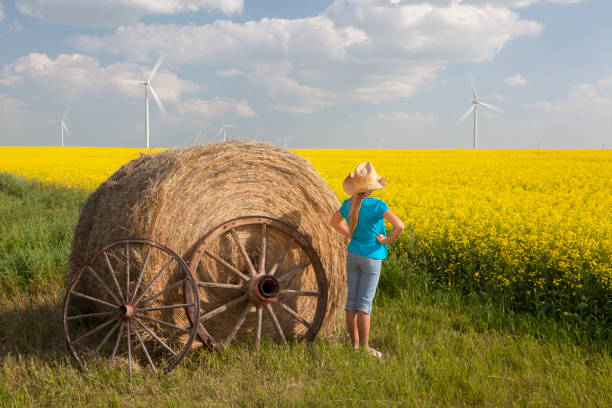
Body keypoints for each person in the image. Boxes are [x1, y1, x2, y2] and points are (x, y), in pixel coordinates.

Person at [330, 161, 404, 358]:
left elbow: (334, 222)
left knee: (351, 302)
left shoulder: (348, 204)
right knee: (364, 304)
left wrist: (350, 235)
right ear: (371, 187)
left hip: (353, 254)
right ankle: (364, 348)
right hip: (372, 256)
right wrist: (386, 239)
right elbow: (400, 226)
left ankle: (353, 346)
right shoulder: (378, 205)